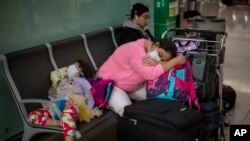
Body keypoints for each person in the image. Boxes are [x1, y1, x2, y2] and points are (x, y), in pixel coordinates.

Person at [96, 39, 186, 116]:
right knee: (127, 111)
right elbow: (150, 74)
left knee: (159, 101)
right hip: (110, 85)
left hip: (133, 86)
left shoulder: (149, 48)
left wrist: (158, 63)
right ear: (156, 44)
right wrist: (176, 60)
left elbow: (162, 65)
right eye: (160, 54)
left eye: (162, 59)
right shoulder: (135, 50)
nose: (159, 58)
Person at [28, 60, 96, 141]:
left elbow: (90, 99)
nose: (70, 67)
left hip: (71, 105)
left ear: (81, 69)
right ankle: (62, 123)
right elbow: (55, 95)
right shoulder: (64, 81)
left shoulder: (83, 81)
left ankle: (66, 121)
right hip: (56, 107)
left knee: (67, 116)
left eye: (74, 66)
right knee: (32, 116)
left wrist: (86, 111)